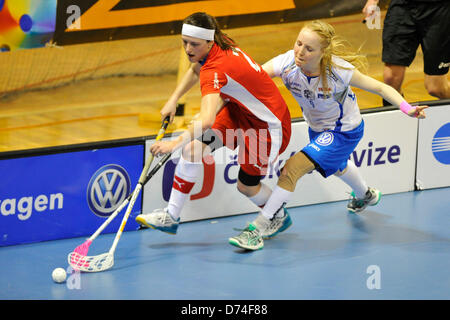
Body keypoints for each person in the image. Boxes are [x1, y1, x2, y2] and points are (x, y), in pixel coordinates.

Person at [229, 20, 428, 250]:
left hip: (344, 130)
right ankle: (366, 195)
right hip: (317, 130)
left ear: (323, 53)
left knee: (291, 169)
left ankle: (261, 226)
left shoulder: (338, 70)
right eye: (299, 43)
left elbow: (380, 88)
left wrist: (407, 109)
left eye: (309, 49)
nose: (300, 52)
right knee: (338, 166)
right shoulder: (287, 62)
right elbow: (255, 78)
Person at [135, 12, 292, 242]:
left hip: (267, 127)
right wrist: (173, 99)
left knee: (246, 186)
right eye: (185, 42)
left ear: (209, 41)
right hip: (238, 111)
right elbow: (195, 67)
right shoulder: (218, 42)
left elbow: (207, 120)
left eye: (194, 44)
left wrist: (173, 143)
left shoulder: (214, 70)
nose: (188, 49)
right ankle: (171, 216)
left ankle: (277, 215)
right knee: (192, 151)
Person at [363, 0, 450, 104]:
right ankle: (397, 118)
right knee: (391, 78)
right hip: (402, 8)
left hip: (439, 9)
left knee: (436, 88)